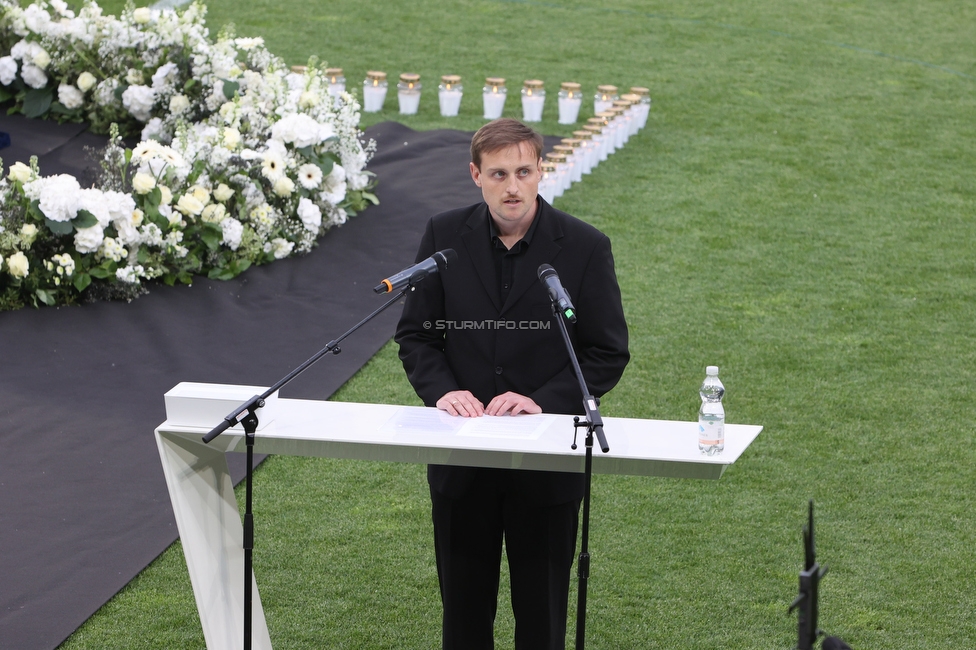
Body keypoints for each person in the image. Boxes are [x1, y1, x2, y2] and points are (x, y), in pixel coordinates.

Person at [394, 118, 630, 650]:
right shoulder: (443, 234)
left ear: (541, 170)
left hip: (546, 469)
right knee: (463, 620)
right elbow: (417, 335)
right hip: (462, 461)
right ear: (476, 175)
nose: (513, 186)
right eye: (498, 173)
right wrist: (442, 392)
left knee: (542, 621)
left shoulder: (586, 247)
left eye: (524, 171)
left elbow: (606, 351)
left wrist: (542, 402)